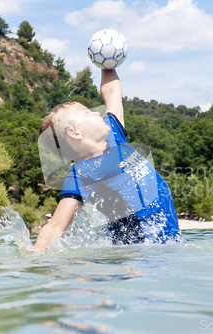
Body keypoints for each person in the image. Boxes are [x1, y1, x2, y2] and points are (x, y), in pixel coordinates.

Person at [34, 69, 182, 251]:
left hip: (170, 247)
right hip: (137, 259)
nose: (97, 113)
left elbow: (112, 92)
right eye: (87, 113)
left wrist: (107, 64)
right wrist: (36, 255)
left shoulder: (114, 135)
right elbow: (56, 226)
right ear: (75, 133)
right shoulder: (80, 176)